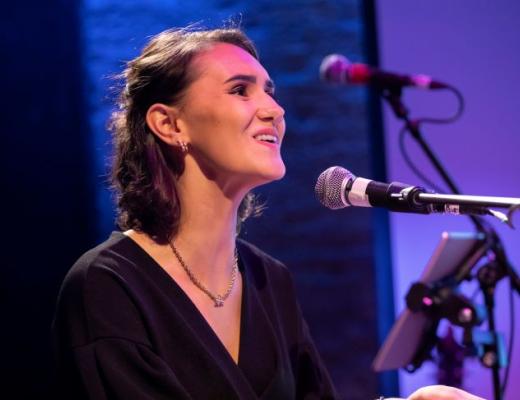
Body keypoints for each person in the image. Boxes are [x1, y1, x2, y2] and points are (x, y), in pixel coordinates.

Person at [52, 26, 484, 400]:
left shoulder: (268, 279)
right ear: (170, 124)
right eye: (240, 90)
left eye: (269, 92)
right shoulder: (108, 286)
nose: (274, 111)